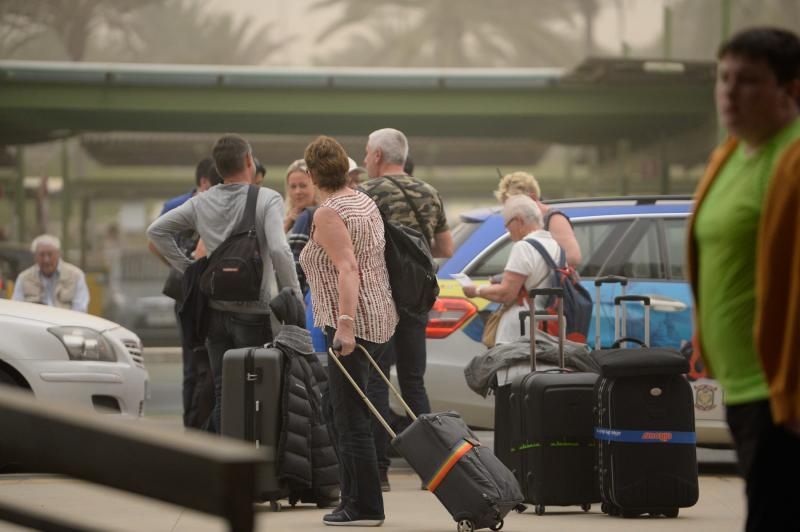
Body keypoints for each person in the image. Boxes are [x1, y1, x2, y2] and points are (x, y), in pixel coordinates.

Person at [688, 27, 800, 532]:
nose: (730, 93)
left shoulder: (792, 159)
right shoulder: (731, 155)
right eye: (724, 78)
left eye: (748, 81)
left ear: (790, 91)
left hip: (782, 390)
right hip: (741, 385)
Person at [147, 133, 301, 434]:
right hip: (254, 313)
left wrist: (191, 268)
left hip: (214, 313)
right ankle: (256, 464)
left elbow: (157, 232)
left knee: (223, 391)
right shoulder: (267, 198)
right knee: (262, 393)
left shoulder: (201, 202)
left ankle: (222, 463)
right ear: (248, 161)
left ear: (217, 168)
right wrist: (292, 296)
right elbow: (281, 250)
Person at [299, 135, 397, 526]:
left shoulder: (329, 213)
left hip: (354, 323)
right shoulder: (363, 200)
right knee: (336, 409)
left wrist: (345, 325)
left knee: (350, 418)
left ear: (311, 174)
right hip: (381, 315)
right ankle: (353, 496)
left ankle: (364, 506)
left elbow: (348, 268)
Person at [359, 127, 453, 491]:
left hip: (380, 299)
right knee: (413, 382)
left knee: (378, 382)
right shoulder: (428, 193)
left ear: (379, 156)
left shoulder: (366, 194)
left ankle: (380, 471)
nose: (365, 159)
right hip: (415, 301)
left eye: (367, 153)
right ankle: (433, 468)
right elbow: (444, 247)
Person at [149, 157, 221, 430]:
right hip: (189, 293)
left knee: (203, 361)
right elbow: (154, 242)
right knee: (194, 362)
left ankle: (203, 422)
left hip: (200, 291)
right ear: (204, 182)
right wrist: (184, 266)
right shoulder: (179, 206)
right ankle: (192, 424)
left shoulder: (192, 205)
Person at [461, 195, 559, 345]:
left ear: (518, 220)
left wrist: (475, 291)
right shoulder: (554, 245)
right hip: (546, 328)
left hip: (519, 331)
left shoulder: (524, 247)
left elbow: (506, 293)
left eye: (507, 225)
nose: (508, 231)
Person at [495, 171, 581, 267]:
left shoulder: (554, 219)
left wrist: (532, 270)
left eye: (517, 204)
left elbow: (572, 258)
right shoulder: (522, 223)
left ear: (533, 197)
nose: (512, 210)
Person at [12, 234, 89, 312]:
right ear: (35, 256)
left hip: (66, 323)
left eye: (50, 254)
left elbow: (80, 309)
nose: (46, 260)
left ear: (58, 254)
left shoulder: (76, 276)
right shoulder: (23, 278)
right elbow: (16, 309)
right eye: (42, 255)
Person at [283, 158, 320, 232]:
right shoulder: (282, 218)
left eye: (303, 186)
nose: (297, 192)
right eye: (293, 187)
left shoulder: (326, 216)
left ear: (315, 186)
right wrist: (286, 226)